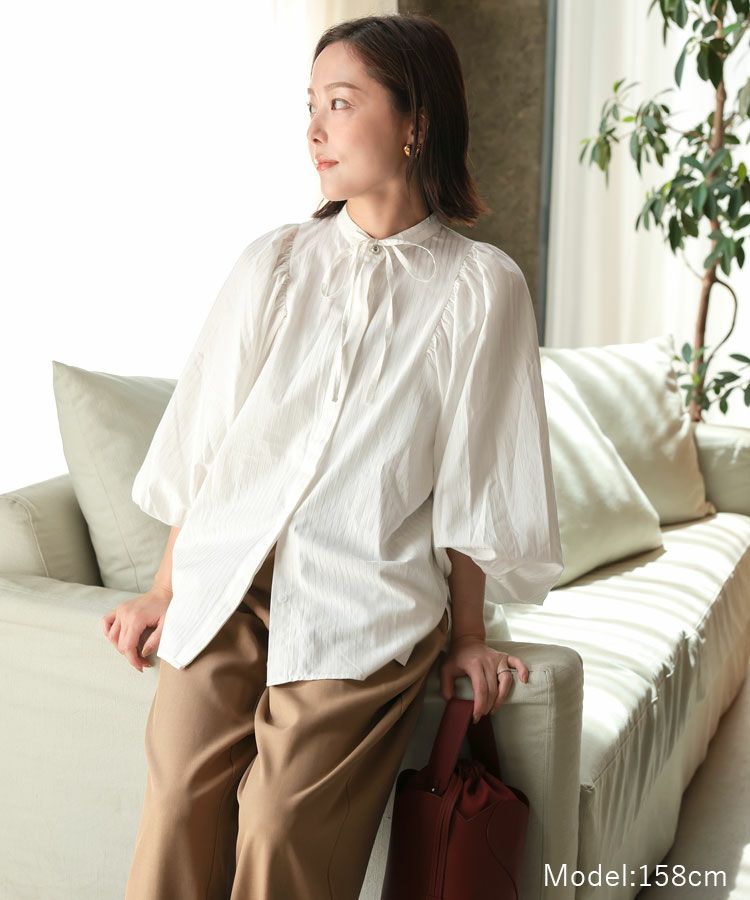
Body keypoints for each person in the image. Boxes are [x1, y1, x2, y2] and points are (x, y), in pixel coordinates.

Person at [103, 12, 564, 900]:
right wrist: (164, 589)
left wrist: (470, 637)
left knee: (281, 826)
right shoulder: (274, 263)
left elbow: (479, 477)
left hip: (365, 595)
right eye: (309, 106)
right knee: (178, 802)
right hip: (228, 582)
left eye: (341, 104)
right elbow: (209, 440)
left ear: (416, 120)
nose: (315, 129)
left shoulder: (480, 288)